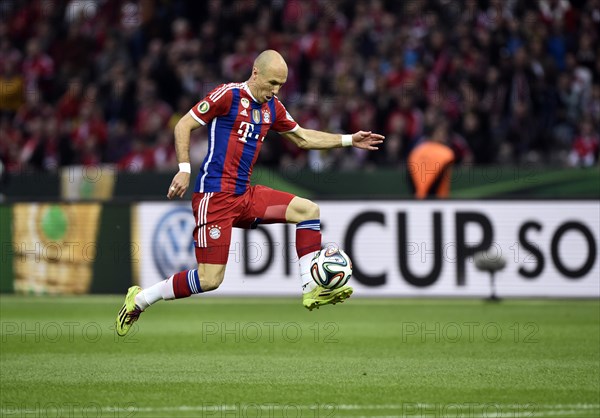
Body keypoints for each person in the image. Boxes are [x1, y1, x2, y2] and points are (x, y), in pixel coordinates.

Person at [115, 50, 384, 336]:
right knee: (209, 280)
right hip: (214, 197)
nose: (275, 91)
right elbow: (184, 124)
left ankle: (310, 287)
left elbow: (303, 138)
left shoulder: (274, 108)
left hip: (245, 196)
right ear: (255, 73)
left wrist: (348, 140)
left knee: (308, 211)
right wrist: (183, 168)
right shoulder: (227, 96)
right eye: (272, 83)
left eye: (280, 85)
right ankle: (140, 299)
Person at [407, 120, 455, 199]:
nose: (444, 136)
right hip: (437, 200)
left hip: (418, 199)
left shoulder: (416, 151)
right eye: (442, 133)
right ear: (433, 133)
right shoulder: (446, 153)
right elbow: (437, 179)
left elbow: (409, 177)